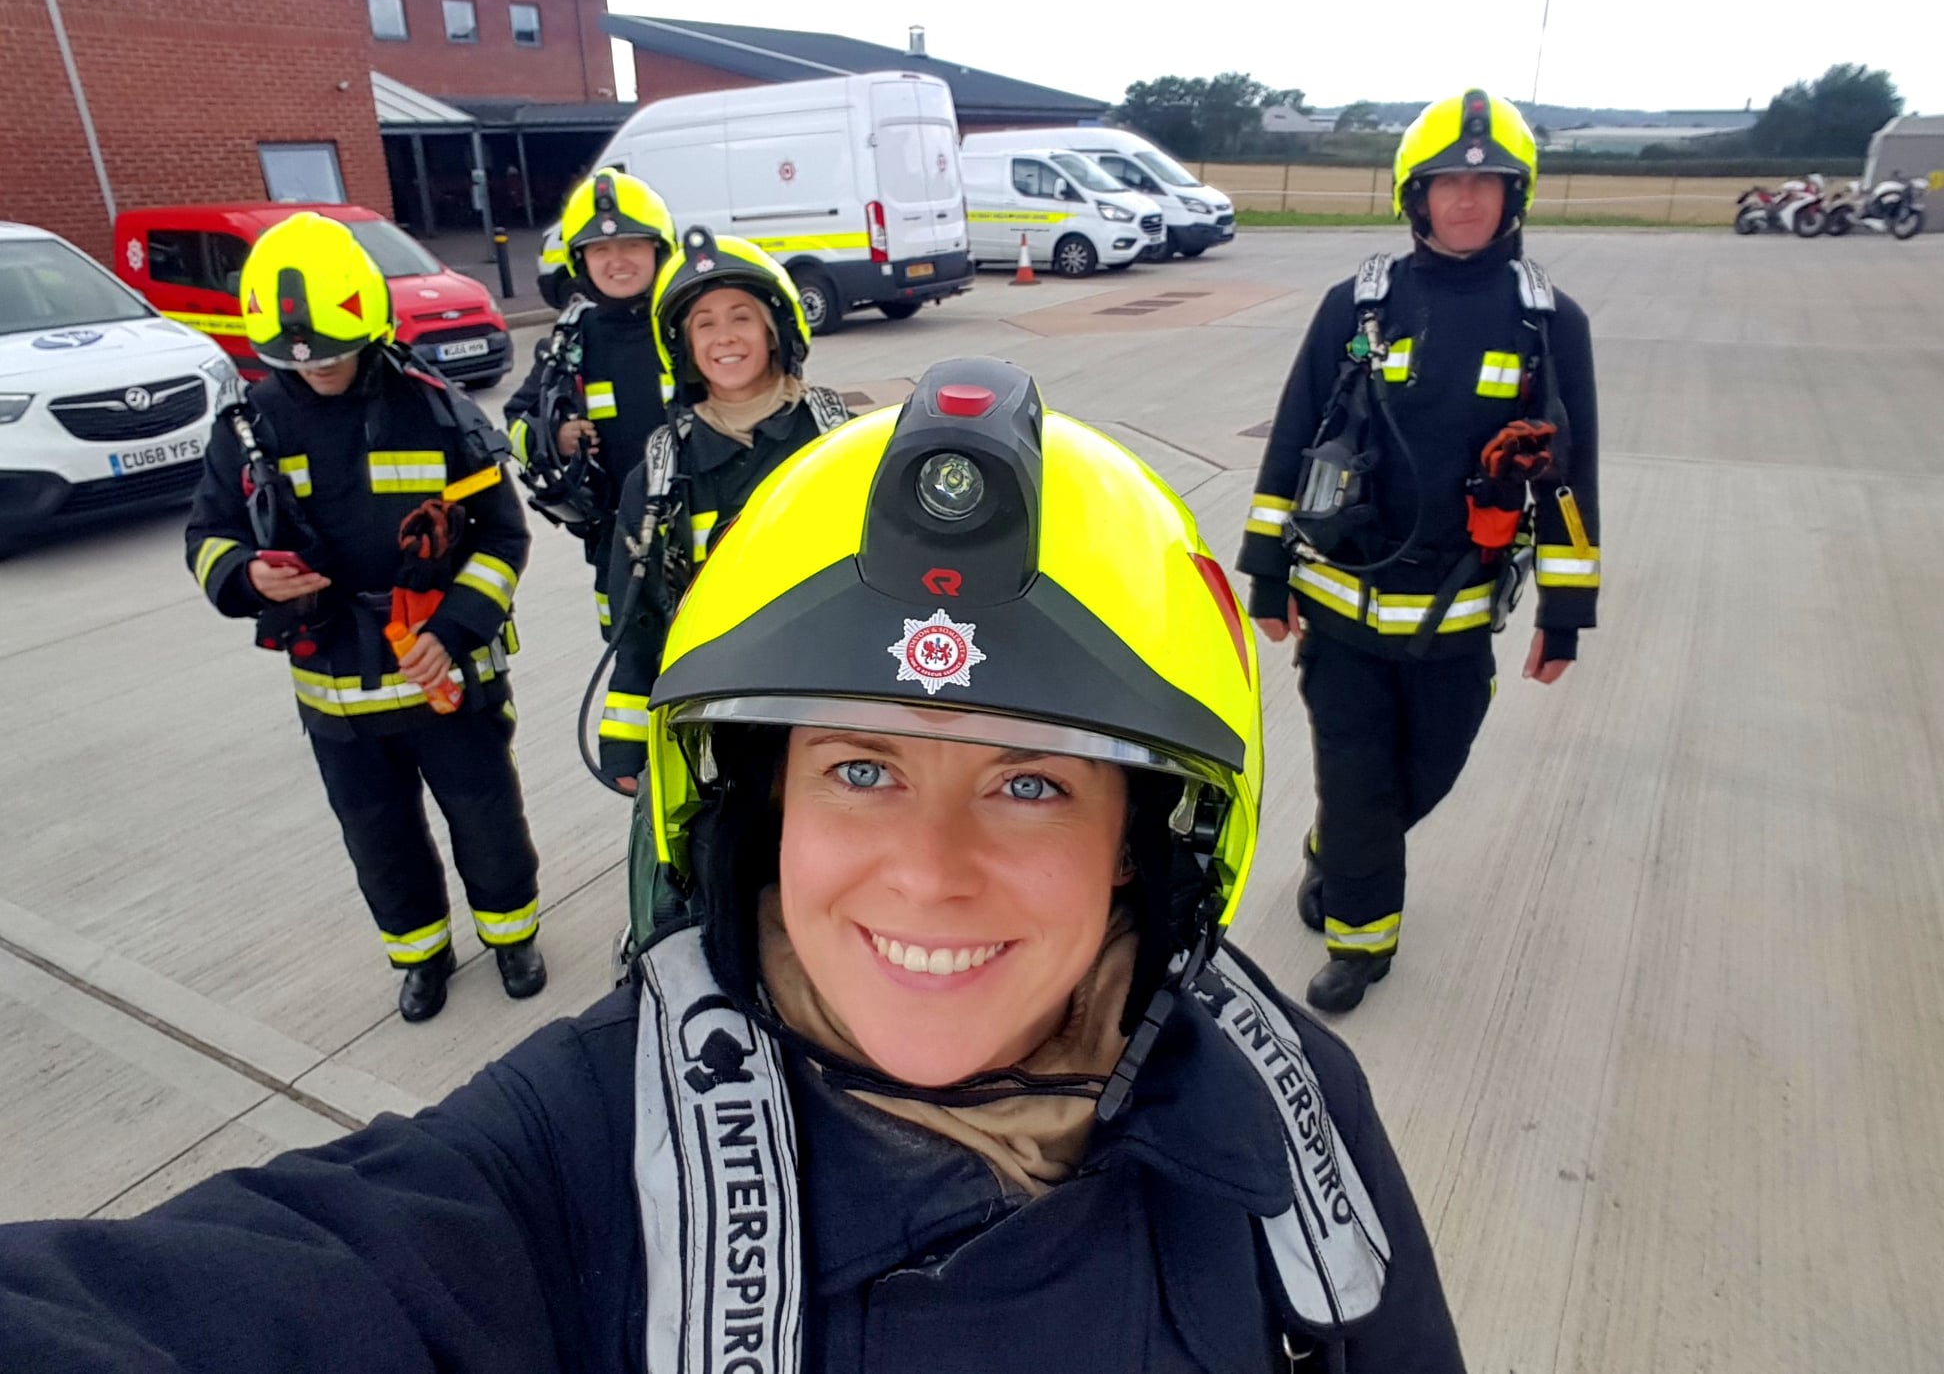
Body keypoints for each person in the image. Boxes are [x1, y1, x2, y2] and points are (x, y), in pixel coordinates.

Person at [2, 358, 1465, 1372]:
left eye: (1030, 781)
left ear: (1147, 848)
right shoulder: (579, 1156)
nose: (927, 871)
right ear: (756, 810)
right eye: (862, 769)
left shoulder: (1281, 1107)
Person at [1236, 89, 1601, 1013]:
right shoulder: (1355, 307)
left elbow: (1568, 480)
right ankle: (1363, 943)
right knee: (1356, 770)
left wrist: (1564, 614)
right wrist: (1268, 570)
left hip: (1459, 617)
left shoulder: (1551, 325)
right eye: (1448, 182)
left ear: (1515, 198)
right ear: (1417, 194)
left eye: (1488, 184)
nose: (1467, 200)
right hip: (1343, 613)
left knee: (1424, 773)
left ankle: (1338, 848)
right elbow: (1291, 443)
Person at [182, 212, 544, 1024]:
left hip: (448, 677)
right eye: (298, 361)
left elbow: (503, 535)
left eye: (338, 353)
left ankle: (512, 935)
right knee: (378, 838)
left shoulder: (435, 409)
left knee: (487, 818)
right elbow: (208, 537)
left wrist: (451, 632)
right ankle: (420, 957)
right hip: (337, 689)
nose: (321, 371)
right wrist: (247, 575)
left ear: (370, 325)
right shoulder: (250, 427)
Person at [593, 224, 848, 792]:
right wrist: (626, 743)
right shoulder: (658, 477)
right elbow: (637, 624)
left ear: (776, 330)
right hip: (718, 723)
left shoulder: (840, 443)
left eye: (741, 316)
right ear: (683, 348)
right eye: (703, 323)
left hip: (837, 707)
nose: (724, 337)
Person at [505, 167, 674, 640]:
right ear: (581, 260)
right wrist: (555, 439)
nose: (617, 260)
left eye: (631, 245)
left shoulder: (687, 322)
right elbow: (516, 423)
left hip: (705, 538)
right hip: (613, 545)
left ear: (659, 249)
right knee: (633, 673)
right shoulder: (571, 341)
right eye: (601, 249)